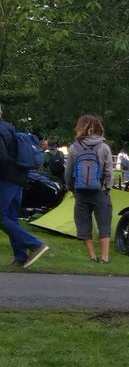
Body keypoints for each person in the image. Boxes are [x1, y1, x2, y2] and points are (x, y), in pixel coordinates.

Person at [0, 104, 50, 268]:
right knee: (12, 217)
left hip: (5, 178)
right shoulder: (9, 128)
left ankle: (34, 244)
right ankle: (20, 257)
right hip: (19, 176)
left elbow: (1, 158)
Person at [64, 115, 114, 264]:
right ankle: (105, 257)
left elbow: (68, 172)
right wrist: (108, 187)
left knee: (83, 223)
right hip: (100, 190)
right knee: (104, 223)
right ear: (98, 127)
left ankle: (92, 256)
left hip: (80, 191)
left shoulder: (74, 148)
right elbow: (109, 171)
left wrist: (71, 188)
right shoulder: (104, 147)